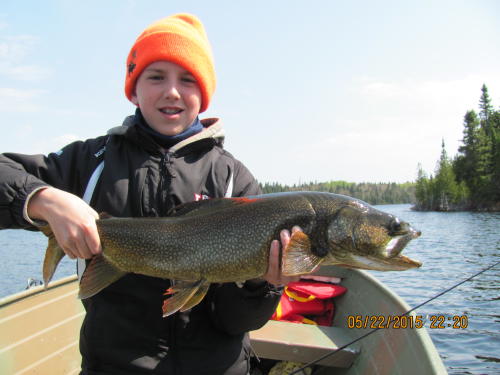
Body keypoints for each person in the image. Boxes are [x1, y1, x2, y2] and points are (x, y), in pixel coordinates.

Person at [0, 14, 300, 374]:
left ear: (203, 95)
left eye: (188, 80)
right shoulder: (88, 163)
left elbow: (237, 322)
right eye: (156, 76)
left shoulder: (234, 179)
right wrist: (44, 199)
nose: (172, 91)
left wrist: (263, 285)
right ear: (134, 87)